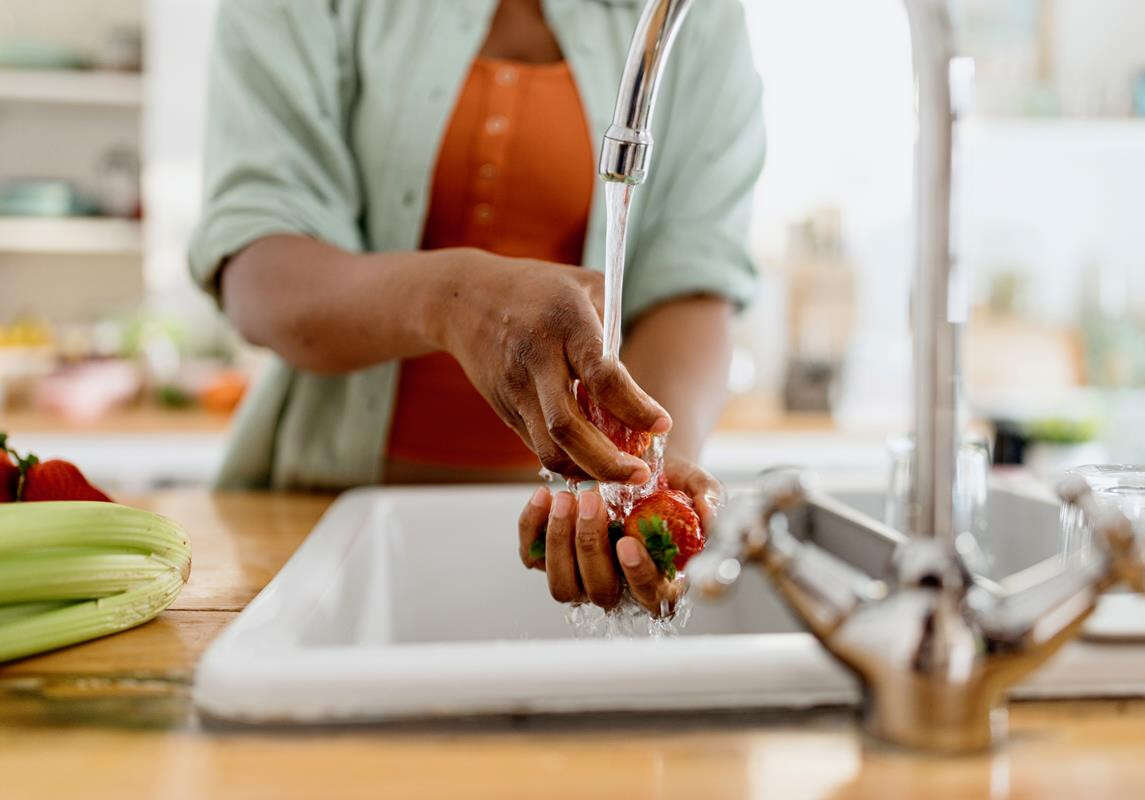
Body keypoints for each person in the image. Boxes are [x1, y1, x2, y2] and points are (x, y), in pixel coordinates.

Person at [189, 0, 765, 615]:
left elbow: (692, 275)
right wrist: (455, 299)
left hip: (570, 532)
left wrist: (644, 474)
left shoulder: (692, 13)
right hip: (319, 528)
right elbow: (260, 269)